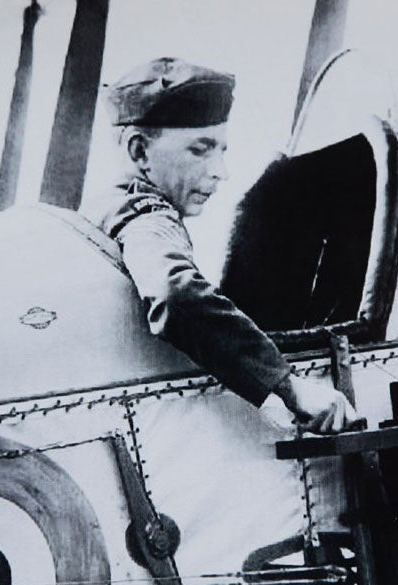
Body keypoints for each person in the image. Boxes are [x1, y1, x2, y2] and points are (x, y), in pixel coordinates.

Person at [80, 57, 359, 434]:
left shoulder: (101, 209)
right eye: (200, 149)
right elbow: (174, 293)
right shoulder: (145, 214)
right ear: (139, 152)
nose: (220, 171)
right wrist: (290, 387)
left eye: (222, 150)